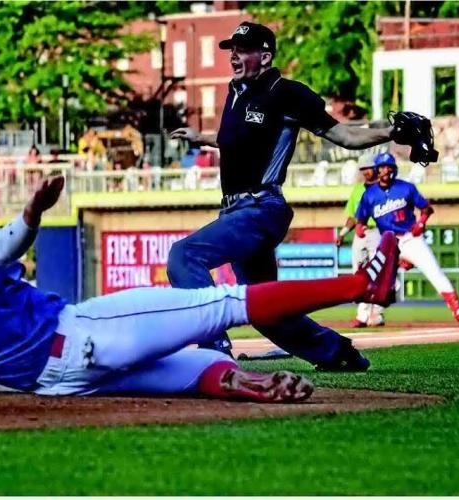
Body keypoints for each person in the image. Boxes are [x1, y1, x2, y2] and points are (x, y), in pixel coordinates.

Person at [0, 177, 400, 402]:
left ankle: (246, 384)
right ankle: (360, 284)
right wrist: (34, 209)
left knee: (195, 368)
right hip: (78, 340)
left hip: (52, 384)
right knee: (221, 303)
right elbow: (9, 244)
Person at [168, 21, 419, 368]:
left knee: (183, 257)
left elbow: (345, 136)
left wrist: (392, 132)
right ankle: (339, 354)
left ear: (266, 56)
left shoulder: (287, 93)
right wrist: (202, 138)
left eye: (243, 49)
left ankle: (214, 350)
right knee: (266, 311)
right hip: (236, 212)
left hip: (260, 208)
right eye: (232, 49)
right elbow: (237, 140)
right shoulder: (237, 92)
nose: (234, 56)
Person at [354, 152, 459, 323]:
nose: (385, 171)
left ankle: (458, 310)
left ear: (394, 169)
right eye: (382, 167)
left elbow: (426, 208)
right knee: (373, 277)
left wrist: (421, 223)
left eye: (389, 167)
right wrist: (360, 228)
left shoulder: (406, 188)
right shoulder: (369, 195)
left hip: (410, 238)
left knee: (434, 272)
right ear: (377, 170)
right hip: (388, 243)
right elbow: (361, 220)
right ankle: (362, 316)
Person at [335, 154, 384, 328]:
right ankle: (362, 315)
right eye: (362, 169)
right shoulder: (357, 189)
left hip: (378, 231)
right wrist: (342, 233)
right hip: (360, 232)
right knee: (359, 273)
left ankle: (377, 313)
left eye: (367, 168)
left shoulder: (383, 187)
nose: (365, 172)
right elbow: (352, 216)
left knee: (378, 273)